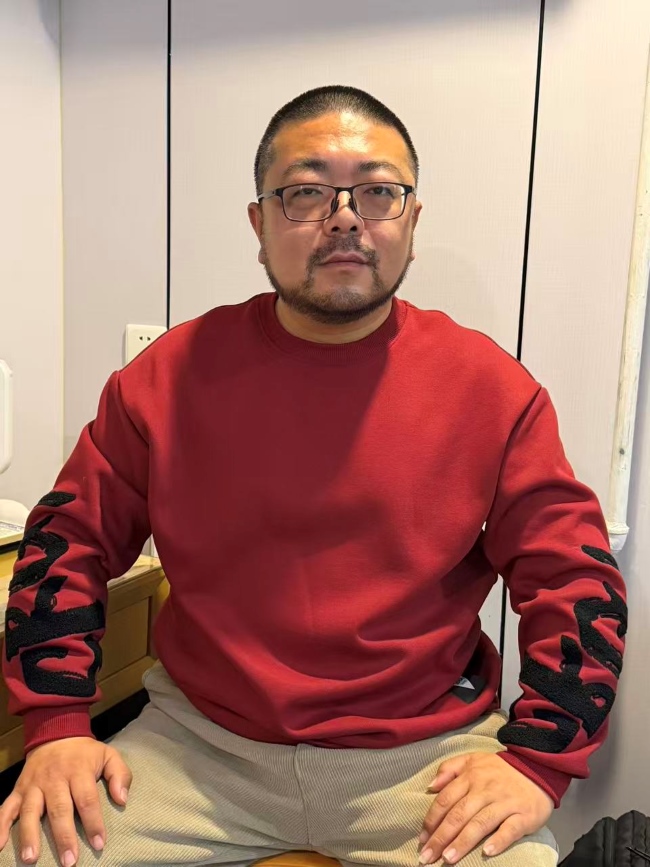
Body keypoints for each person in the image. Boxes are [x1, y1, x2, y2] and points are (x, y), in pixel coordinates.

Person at [0, 85, 627, 867]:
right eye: (305, 191)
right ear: (259, 224)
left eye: (378, 191)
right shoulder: (164, 379)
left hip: (421, 760)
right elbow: (68, 539)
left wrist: (538, 762)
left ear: (412, 222)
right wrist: (57, 726)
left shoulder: (493, 391)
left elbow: (574, 579)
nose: (344, 217)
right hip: (198, 746)